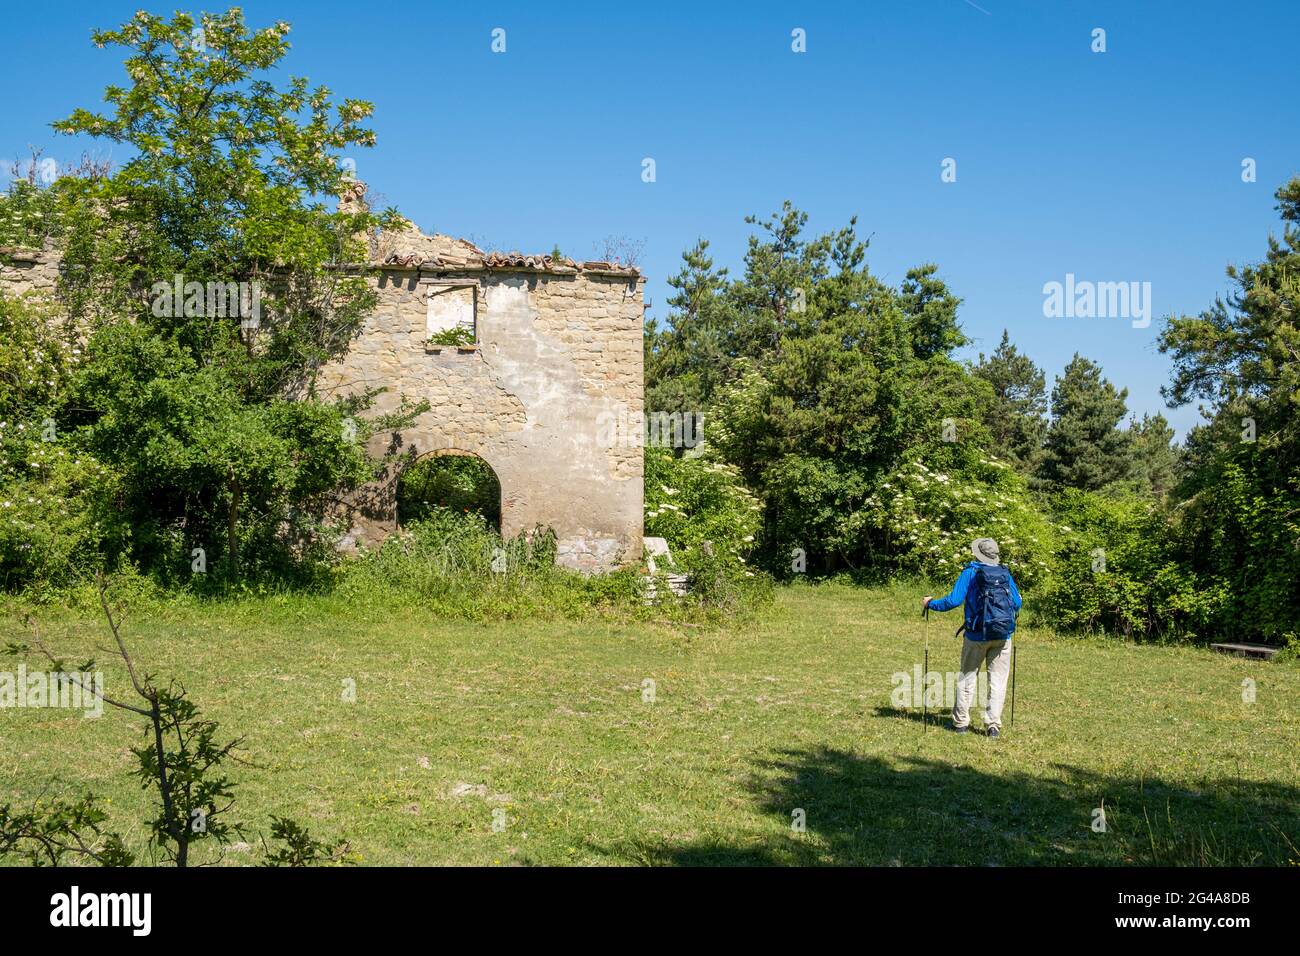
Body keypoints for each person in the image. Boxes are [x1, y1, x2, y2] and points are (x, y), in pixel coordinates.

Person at [922, 537, 1022, 738]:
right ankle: (993, 726)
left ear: (978, 553)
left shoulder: (970, 572)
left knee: (967, 678)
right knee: (998, 681)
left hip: (976, 635)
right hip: (1003, 635)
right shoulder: (1004, 572)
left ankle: (961, 723)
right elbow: (1017, 603)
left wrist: (930, 603)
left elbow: (953, 600)